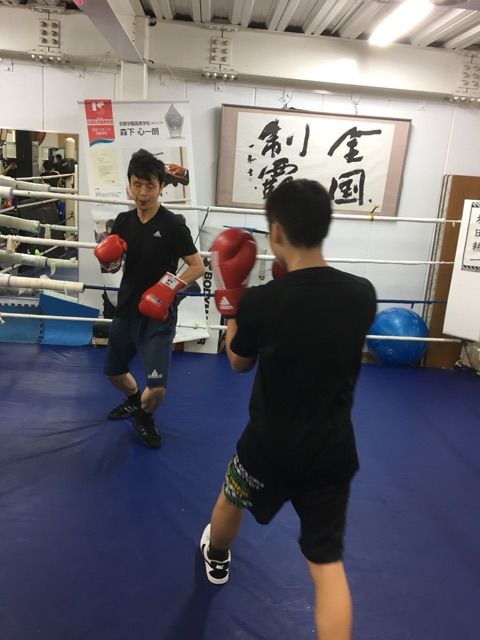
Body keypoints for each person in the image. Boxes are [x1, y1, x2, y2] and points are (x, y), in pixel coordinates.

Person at [200, 179, 377, 640]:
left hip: (267, 445)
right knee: (327, 567)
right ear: (324, 227)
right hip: (330, 449)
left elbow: (238, 362)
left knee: (231, 498)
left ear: (276, 232)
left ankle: (216, 555)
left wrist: (230, 301)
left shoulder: (262, 302)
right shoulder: (362, 294)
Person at [93, 148, 204, 448]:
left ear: (161, 186)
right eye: (137, 185)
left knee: (156, 389)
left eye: (150, 186)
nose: (142, 193)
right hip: (126, 309)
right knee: (113, 372)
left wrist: (168, 288)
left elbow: (197, 266)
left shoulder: (173, 225)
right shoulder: (122, 221)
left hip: (158, 315)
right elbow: (115, 264)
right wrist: (108, 261)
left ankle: (144, 416)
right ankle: (133, 399)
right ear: (129, 185)